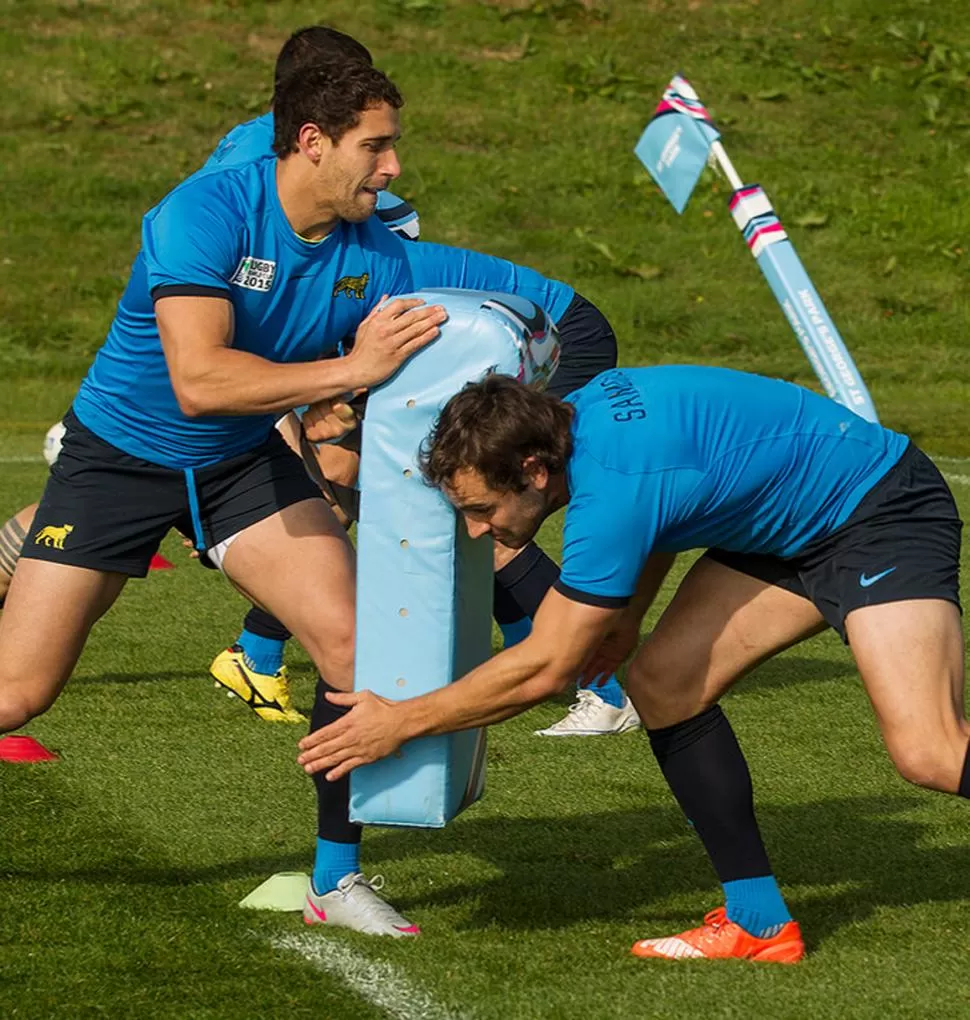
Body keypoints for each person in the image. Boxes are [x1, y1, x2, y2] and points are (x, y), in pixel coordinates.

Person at [0, 60, 640, 936]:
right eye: (375, 147)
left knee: (351, 646)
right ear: (313, 142)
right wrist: (355, 370)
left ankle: (334, 883)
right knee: (18, 692)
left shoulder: (375, 256)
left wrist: (549, 348)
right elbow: (198, 378)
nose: (392, 168)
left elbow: (546, 309)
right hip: (118, 462)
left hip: (236, 467)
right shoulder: (208, 210)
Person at [297, 366, 965, 960]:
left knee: (929, 753)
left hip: (882, 512)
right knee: (662, 685)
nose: (477, 530)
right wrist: (627, 617)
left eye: (481, 510)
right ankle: (759, 925)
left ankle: (759, 920)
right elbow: (669, 504)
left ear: (533, 471)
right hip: (788, 528)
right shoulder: (580, 428)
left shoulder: (609, 487)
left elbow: (548, 668)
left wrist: (402, 722)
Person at [203, 26, 634, 737]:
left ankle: (599, 682)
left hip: (545, 334)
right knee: (382, 483)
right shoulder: (270, 196)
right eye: (370, 136)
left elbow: (395, 311)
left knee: (476, 495)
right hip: (473, 334)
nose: (388, 160)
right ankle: (256, 650)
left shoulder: (333, 230)